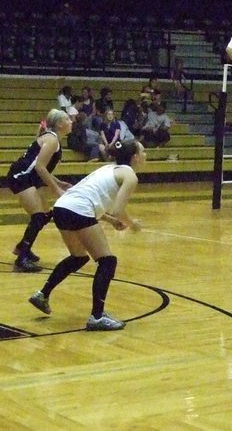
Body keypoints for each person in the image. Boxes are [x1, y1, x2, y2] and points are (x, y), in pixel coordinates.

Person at [27, 140, 146, 331]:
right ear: (135, 157)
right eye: (143, 151)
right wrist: (133, 224)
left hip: (62, 208)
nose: (145, 155)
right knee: (107, 261)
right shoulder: (130, 176)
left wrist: (111, 221)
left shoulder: (107, 168)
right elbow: (117, 209)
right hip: (77, 210)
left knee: (78, 257)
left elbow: (94, 199)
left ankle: (42, 294)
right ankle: (97, 316)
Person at [6, 109, 73, 272]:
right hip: (21, 177)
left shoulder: (52, 138)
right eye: (68, 119)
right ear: (59, 124)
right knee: (38, 216)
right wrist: (56, 189)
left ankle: (23, 247)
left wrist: (59, 182)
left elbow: (41, 167)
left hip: (27, 177)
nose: (71, 121)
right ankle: (21, 259)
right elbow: (39, 167)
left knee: (44, 214)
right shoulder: (52, 140)